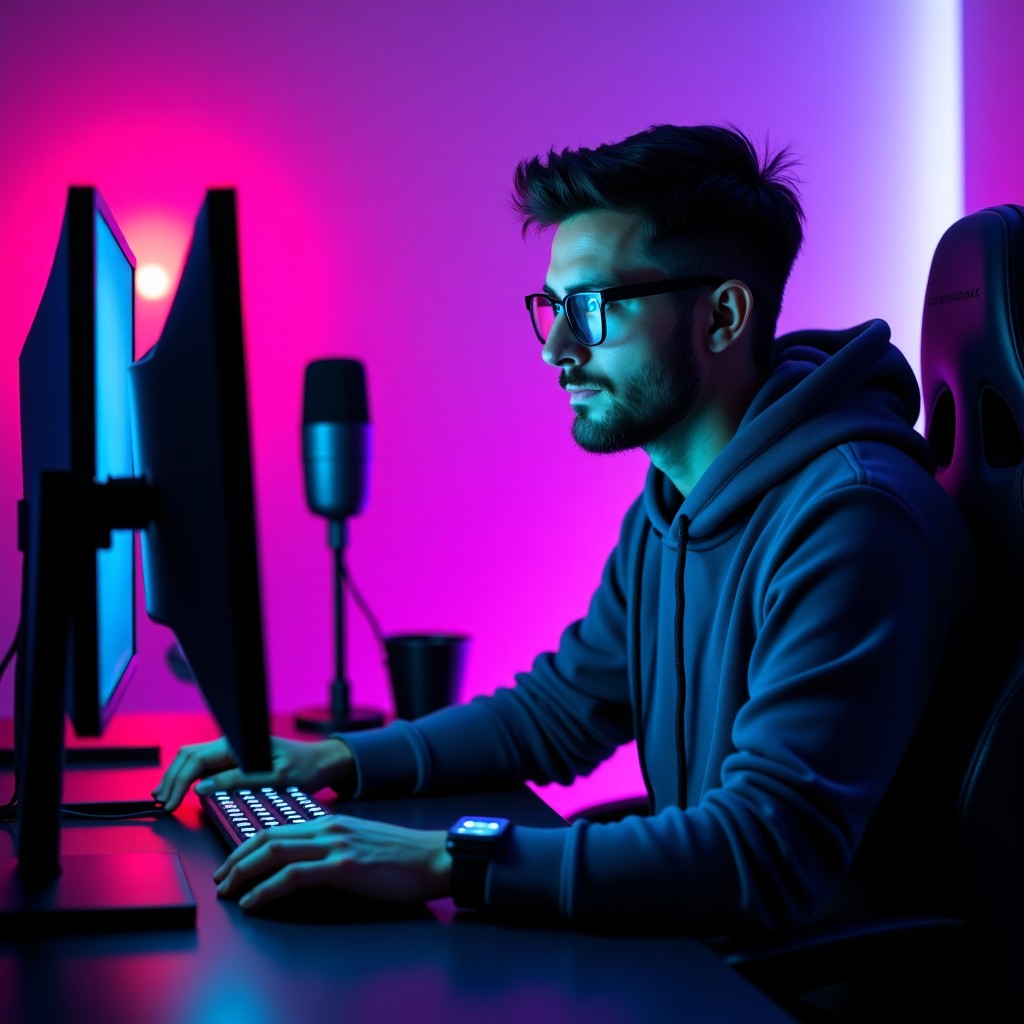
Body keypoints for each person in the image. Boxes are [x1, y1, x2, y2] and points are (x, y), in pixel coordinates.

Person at [154, 124, 979, 936]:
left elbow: (763, 852)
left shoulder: (852, 521)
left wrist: (447, 857)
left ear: (723, 316)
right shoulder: (674, 504)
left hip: (796, 984)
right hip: (706, 953)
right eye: (553, 307)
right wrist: (339, 758)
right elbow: (558, 711)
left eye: (591, 307)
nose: (555, 347)